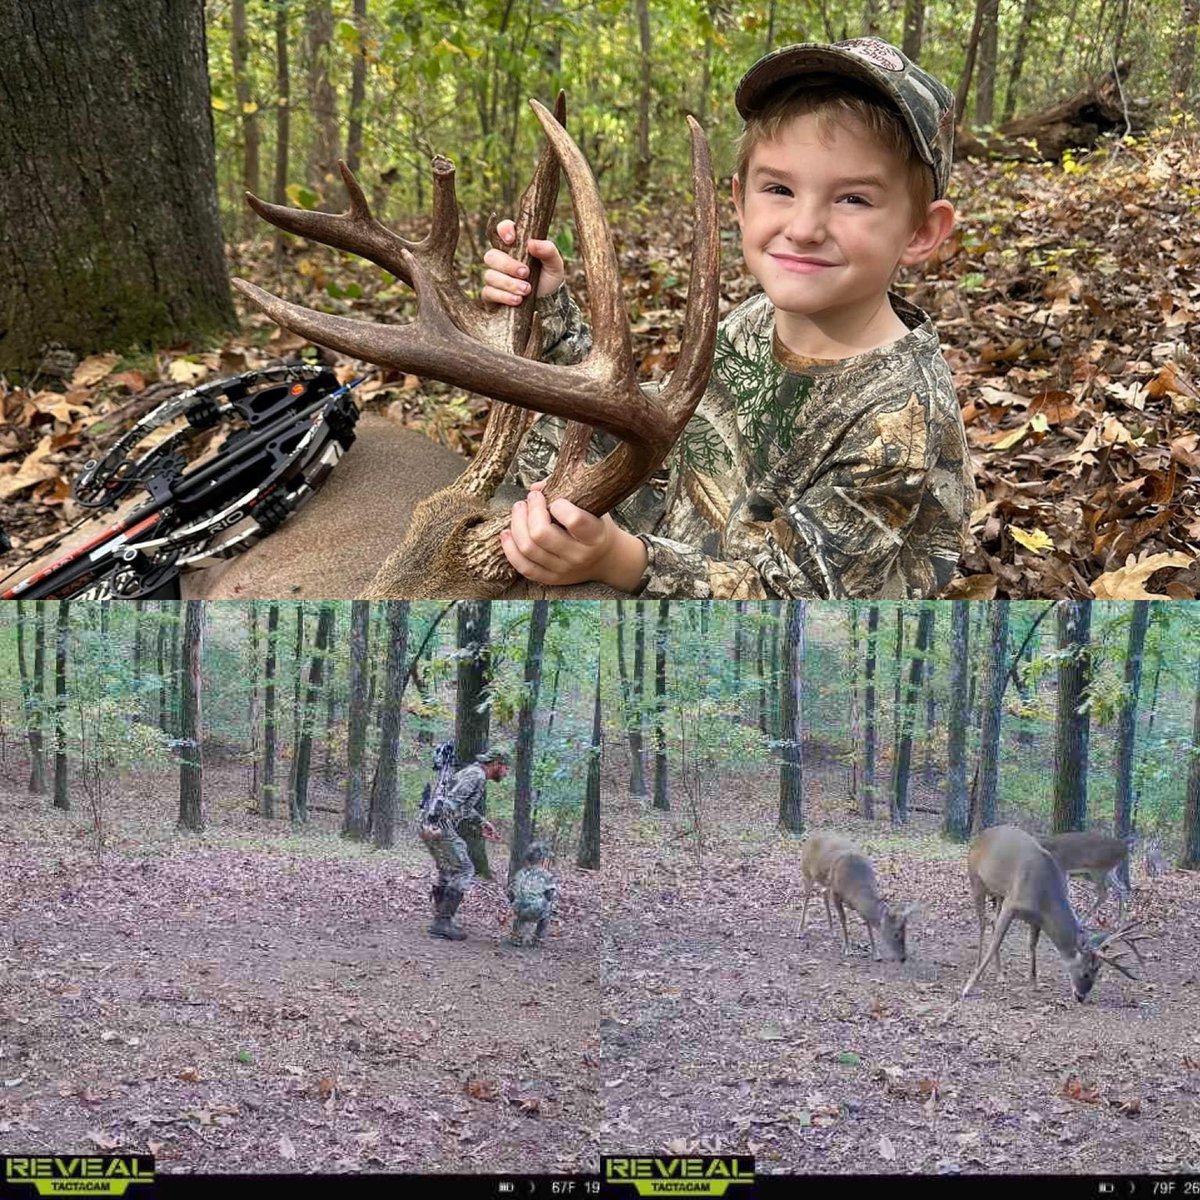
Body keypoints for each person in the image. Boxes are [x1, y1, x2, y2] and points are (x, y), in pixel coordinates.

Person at [481, 37, 974, 599]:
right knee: (544, 444)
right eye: (780, 189)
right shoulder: (754, 319)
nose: (805, 227)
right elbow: (662, 426)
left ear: (921, 232)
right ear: (740, 202)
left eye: (854, 199)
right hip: (694, 539)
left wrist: (622, 560)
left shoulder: (900, 415)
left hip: (796, 642)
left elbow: (804, 601)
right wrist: (550, 308)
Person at [418, 747, 507, 941]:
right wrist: (436, 826)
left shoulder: (473, 774)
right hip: (437, 824)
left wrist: (481, 822)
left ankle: (441, 919)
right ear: (496, 764)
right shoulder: (476, 776)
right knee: (464, 869)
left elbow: (462, 806)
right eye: (505, 768)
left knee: (448, 869)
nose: (506, 773)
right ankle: (442, 921)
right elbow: (449, 802)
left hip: (431, 822)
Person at [507, 841, 558, 947]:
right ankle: (538, 938)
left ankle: (516, 936)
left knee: (520, 905)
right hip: (535, 910)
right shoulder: (546, 875)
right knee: (548, 909)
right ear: (543, 859)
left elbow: (510, 893)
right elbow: (550, 895)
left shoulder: (520, 872)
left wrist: (516, 902)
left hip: (517, 909)